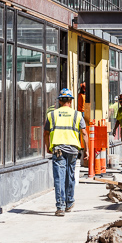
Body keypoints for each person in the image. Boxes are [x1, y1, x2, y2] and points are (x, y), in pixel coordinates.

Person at [44, 88, 88, 217]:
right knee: (70, 175)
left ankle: (60, 207)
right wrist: (87, 151)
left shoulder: (52, 115)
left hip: (57, 149)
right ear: (70, 101)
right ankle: (69, 202)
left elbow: (46, 133)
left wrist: (48, 146)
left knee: (59, 177)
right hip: (73, 150)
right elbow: (84, 133)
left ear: (60, 101)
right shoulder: (77, 115)